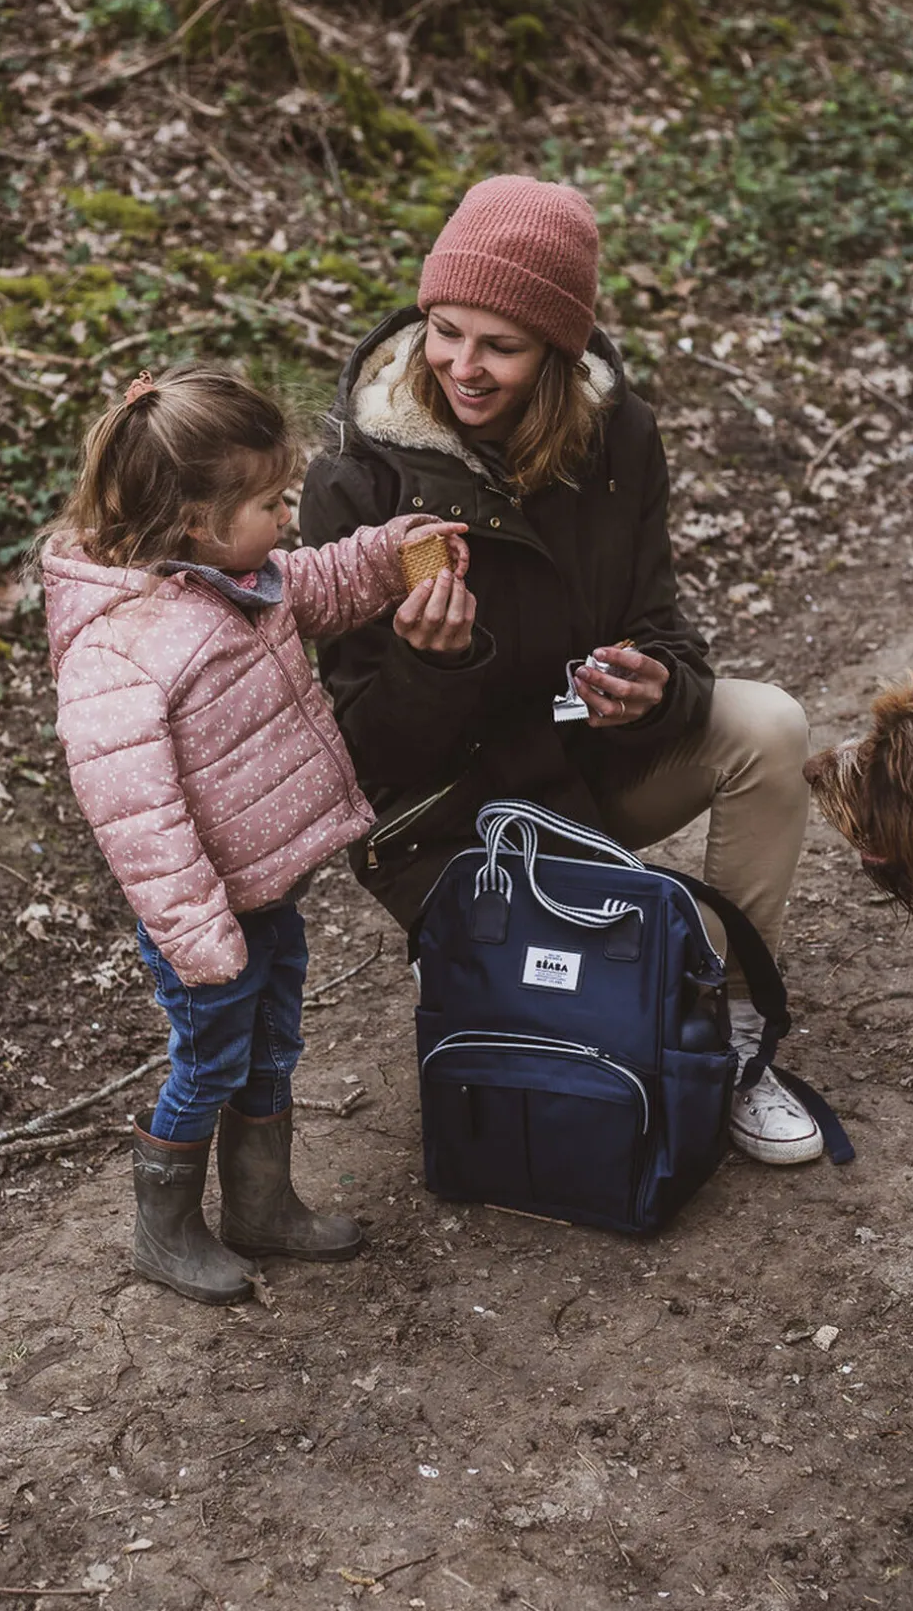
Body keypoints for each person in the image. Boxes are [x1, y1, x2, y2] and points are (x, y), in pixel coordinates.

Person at [300, 174, 821, 1167]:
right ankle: (529, 969)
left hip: (583, 770)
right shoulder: (356, 479)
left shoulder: (618, 439)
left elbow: (662, 627)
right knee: (581, 1017)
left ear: (557, 348)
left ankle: (739, 1035)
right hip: (458, 821)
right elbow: (369, 753)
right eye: (446, 331)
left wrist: (658, 689)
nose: (464, 365)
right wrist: (431, 660)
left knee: (769, 727)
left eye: (500, 344)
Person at [42, 366, 466, 1303]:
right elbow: (137, 819)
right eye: (274, 502)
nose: (289, 518)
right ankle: (165, 1230)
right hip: (203, 922)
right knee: (211, 1060)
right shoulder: (119, 647)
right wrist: (196, 938)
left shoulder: (242, 577)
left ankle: (262, 1206)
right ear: (196, 519)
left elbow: (316, 584)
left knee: (272, 1045)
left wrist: (396, 553)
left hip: (265, 893)